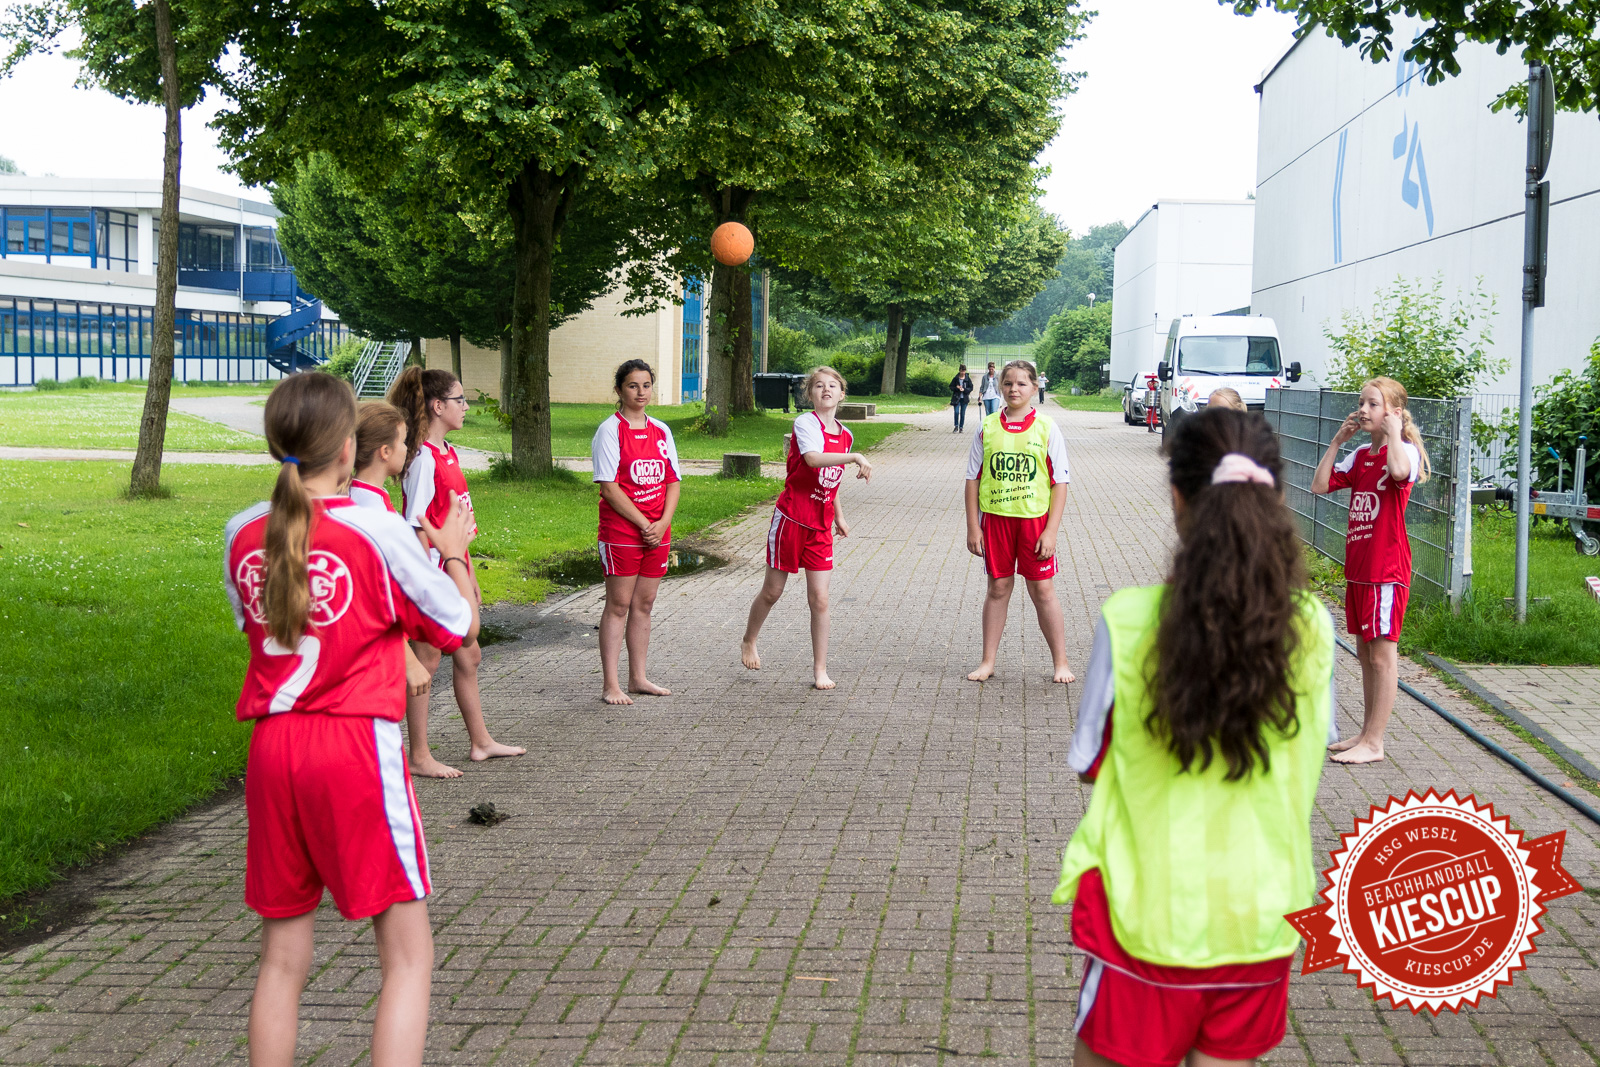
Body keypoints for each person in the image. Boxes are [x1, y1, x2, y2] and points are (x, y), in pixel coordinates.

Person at [1055, 406, 1335, 1067]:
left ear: (1178, 498)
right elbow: (1311, 749)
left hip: (1144, 917)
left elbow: (1090, 764)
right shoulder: (1315, 627)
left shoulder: (1128, 622)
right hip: (1261, 918)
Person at [225, 372, 480, 1067]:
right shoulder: (377, 529)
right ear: (347, 448)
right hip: (353, 742)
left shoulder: (242, 531)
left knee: (282, 956)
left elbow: (264, 626)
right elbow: (455, 622)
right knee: (407, 954)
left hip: (274, 748)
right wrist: (451, 548)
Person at [389, 366, 524, 777]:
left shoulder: (448, 452)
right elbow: (416, 527)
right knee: (426, 660)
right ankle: (419, 754)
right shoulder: (423, 460)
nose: (466, 406)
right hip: (434, 576)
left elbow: (453, 526)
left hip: (453, 570)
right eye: (460, 400)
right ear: (437, 405)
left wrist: (468, 573)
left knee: (470, 653)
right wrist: (428, 585)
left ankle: (480, 742)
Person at [1310, 376, 1429, 765]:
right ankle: (1364, 733)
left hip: (1385, 571)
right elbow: (1319, 485)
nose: (1362, 410)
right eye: (1362, 402)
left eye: (1373, 404)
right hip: (1359, 570)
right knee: (1364, 654)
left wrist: (1395, 434)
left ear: (1393, 413)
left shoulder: (1405, 452)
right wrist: (1336, 443)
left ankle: (1375, 743)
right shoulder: (1360, 455)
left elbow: (1397, 473)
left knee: (1382, 657)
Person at [741, 366, 872, 689]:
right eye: (818, 386)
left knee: (821, 599)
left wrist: (838, 515)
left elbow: (832, 479)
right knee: (773, 591)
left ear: (842, 394)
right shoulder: (805, 423)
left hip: (820, 526)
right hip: (791, 519)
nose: (826, 390)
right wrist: (854, 457)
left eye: (832, 386)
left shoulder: (845, 434)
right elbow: (813, 460)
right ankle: (749, 639)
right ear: (809, 394)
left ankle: (820, 669)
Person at [964, 360, 1075, 684]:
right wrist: (974, 527)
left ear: (1034, 388)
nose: (1014, 389)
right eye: (1008, 383)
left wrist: (1051, 531)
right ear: (1000, 387)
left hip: (1034, 522)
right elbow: (972, 478)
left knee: (1042, 590)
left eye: (1022, 384)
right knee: (998, 588)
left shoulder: (1047, 427)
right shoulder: (986, 427)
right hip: (996, 522)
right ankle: (987, 662)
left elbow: (1060, 482)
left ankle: (1061, 662)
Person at [591, 359, 682, 705]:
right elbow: (610, 487)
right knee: (619, 604)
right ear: (619, 390)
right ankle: (611, 684)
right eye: (632, 386)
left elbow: (673, 481)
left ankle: (638, 677)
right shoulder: (609, 430)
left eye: (646, 385)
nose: (640, 392)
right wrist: (644, 524)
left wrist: (661, 524)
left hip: (658, 531)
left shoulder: (661, 430)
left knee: (644, 603)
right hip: (622, 532)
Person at [350, 401, 434, 703]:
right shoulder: (367, 508)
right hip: (370, 648)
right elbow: (372, 593)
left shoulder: (369, 496)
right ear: (384, 452)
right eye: (402, 441)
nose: (406, 448)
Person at [950, 364, 975, 432]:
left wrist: (964, 389)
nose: (962, 373)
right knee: (956, 412)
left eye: (964, 371)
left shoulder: (967, 379)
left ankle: (961, 427)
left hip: (964, 398)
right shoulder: (956, 378)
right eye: (961, 371)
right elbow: (951, 387)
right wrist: (957, 388)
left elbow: (971, 387)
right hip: (956, 398)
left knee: (962, 413)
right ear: (959, 371)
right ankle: (956, 426)